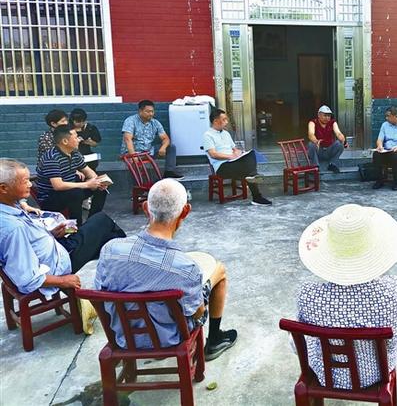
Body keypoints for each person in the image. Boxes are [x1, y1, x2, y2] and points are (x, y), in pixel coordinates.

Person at [95, 179, 238, 360]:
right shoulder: (185, 268)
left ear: (146, 208)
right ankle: (215, 339)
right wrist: (207, 283)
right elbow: (198, 313)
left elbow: (101, 293)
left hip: (124, 337)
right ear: (185, 211)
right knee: (219, 271)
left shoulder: (110, 250)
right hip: (170, 339)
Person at [296, 204, 397, 389]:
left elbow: (302, 340)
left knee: (302, 335)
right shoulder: (396, 290)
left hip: (326, 374)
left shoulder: (308, 295)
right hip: (379, 373)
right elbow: (393, 340)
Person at [0, 158, 125, 295]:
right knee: (103, 224)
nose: (30, 184)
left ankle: (118, 254)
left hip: (54, 246)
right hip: (58, 263)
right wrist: (63, 281)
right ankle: (124, 259)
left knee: (101, 229)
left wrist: (51, 234)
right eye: (25, 181)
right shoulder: (13, 228)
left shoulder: (10, 207)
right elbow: (27, 278)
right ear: (4, 188)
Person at [35, 126, 109, 225]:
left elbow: (88, 171)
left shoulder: (74, 153)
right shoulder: (52, 158)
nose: (79, 140)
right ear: (65, 141)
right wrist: (87, 184)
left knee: (101, 187)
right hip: (50, 198)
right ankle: (77, 226)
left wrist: (97, 181)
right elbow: (58, 185)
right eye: (76, 137)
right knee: (75, 193)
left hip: (69, 191)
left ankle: (92, 222)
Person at [202, 108, 272, 206]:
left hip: (233, 162)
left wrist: (240, 153)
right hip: (222, 167)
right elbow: (213, 154)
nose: (226, 122)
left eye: (226, 119)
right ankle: (256, 193)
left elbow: (234, 149)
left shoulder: (226, 134)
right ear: (215, 121)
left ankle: (253, 180)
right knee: (249, 171)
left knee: (251, 154)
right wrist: (230, 156)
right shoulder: (207, 135)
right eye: (224, 120)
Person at [121, 99, 183, 179]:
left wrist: (163, 147)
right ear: (140, 111)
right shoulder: (130, 121)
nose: (151, 114)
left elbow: (166, 138)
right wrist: (133, 156)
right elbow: (127, 139)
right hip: (132, 153)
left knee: (171, 147)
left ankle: (169, 172)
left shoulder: (155, 123)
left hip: (148, 152)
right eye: (148, 111)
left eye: (152, 111)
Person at [307, 105, 349, 174]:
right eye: (325, 115)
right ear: (319, 115)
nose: (327, 118)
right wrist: (316, 141)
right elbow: (311, 134)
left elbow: (338, 133)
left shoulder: (333, 122)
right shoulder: (312, 122)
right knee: (311, 144)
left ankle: (332, 164)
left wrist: (343, 140)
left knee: (339, 144)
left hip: (329, 150)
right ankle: (315, 167)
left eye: (329, 116)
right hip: (319, 150)